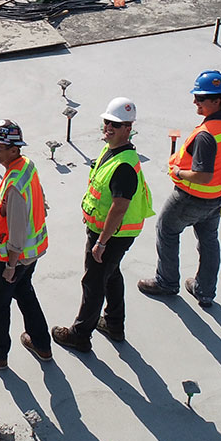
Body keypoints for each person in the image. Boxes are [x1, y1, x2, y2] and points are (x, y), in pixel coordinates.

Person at [138, 70, 221, 308]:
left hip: (192, 197)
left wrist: (178, 172)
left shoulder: (206, 136)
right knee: (209, 240)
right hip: (219, 195)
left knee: (167, 230)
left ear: (216, 100)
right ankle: (205, 291)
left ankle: (166, 282)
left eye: (200, 98)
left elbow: (202, 175)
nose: (195, 102)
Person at [52, 98, 153, 352]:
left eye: (115, 125)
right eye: (107, 122)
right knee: (111, 274)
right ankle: (114, 323)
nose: (108, 127)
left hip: (112, 235)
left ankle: (80, 335)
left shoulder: (124, 166)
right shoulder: (113, 150)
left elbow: (119, 207)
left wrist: (101, 242)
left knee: (93, 282)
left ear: (128, 128)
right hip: (110, 233)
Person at [0, 120, 51, 369]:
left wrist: (10, 265)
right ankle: (42, 344)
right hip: (31, 255)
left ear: (13, 149)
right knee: (25, 293)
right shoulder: (26, 166)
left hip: (11, 258)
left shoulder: (15, 184)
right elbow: (39, 196)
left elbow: (17, 231)